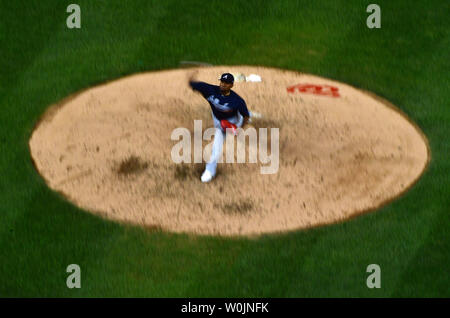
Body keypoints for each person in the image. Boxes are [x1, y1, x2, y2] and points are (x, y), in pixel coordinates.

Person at [189, 72, 250, 182]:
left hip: (232, 120)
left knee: (216, 146)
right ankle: (228, 126)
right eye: (222, 81)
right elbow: (195, 85)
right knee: (220, 123)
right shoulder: (210, 90)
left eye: (226, 83)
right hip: (217, 118)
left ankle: (210, 171)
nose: (223, 84)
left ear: (231, 85)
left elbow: (246, 116)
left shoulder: (237, 100)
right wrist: (191, 80)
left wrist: (240, 128)